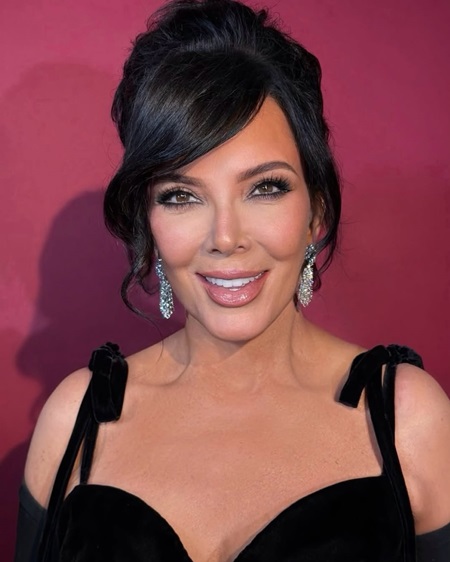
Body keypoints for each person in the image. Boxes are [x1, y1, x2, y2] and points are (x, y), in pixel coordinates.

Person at [15, 0, 450, 560]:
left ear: (316, 210)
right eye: (181, 196)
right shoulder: (77, 419)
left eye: (265, 188)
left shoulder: (408, 420)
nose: (225, 237)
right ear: (149, 222)